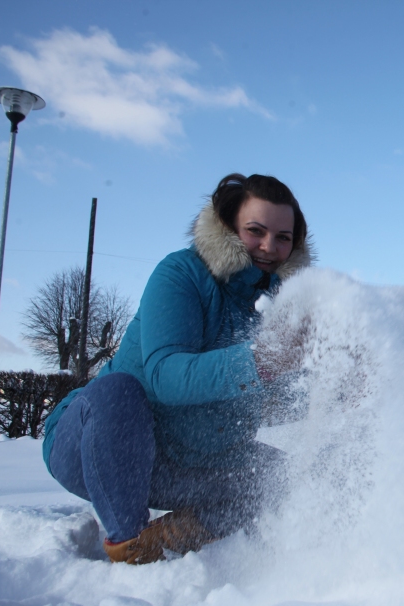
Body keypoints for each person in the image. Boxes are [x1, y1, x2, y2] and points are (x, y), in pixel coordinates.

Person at [42, 173, 312, 564]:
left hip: (188, 462)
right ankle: (130, 542)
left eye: (284, 237)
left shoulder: (282, 304)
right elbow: (164, 376)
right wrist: (262, 360)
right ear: (230, 228)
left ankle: (178, 533)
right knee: (117, 390)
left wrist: (335, 385)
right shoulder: (181, 274)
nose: (269, 247)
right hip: (101, 445)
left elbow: (275, 399)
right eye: (256, 230)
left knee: (285, 478)